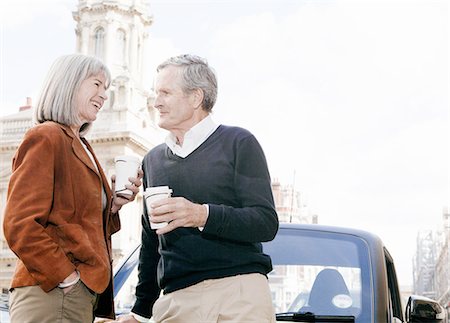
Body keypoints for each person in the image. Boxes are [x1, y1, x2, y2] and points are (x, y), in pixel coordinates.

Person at [116, 54, 279, 323]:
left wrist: (202, 215)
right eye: (157, 93)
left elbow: (265, 222)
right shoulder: (152, 160)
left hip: (239, 295)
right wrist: (140, 311)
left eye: (165, 93)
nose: (156, 102)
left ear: (195, 98)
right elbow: (150, 242)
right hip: (176, 302)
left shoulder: (239, 142)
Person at [3, 54, 142, 322]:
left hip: (72, 294)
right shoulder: (47, 136)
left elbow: (77, 221)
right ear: (70, 84)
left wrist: (111, 205)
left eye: (107, 89)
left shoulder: (81, 145)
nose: (104, 96)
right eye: (96, 84)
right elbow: (19, 223)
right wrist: (66, 277)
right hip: (52, 292)